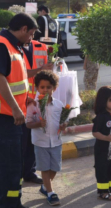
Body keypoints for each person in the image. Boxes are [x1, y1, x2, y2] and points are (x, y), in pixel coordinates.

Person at [0, 13, 38, 208]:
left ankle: (14, 203)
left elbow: (15, 81)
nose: (31, 38)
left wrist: (25, 99)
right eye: (31, 34)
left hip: (10, 115)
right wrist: (15, 108)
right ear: (23, 29)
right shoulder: (2, 45)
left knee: (15, 166)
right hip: (3, 116)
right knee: (8, 167)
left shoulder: (14, 46)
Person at [25, 70, 66, 206]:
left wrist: (64, 125)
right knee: (45, 169)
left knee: (54, 168)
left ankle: (45, 187)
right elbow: (28, 123)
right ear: (37, 88)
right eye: (42, 87)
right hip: (40, 142)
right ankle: (50, 193)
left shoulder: (59, 104)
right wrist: (38, 123)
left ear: (54, 88)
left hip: (56, 141)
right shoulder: (33, 105)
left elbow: (62, 120)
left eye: (49, 87)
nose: (45, 90)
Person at [22, 37, 49, 185]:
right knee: (22, 140)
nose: (31, 36)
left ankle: (29, 172)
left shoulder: (41, 47)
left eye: (33, 32)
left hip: (38, 101)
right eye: (29, 32)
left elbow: (44, 76)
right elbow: (17, 76)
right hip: (21, 102)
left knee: (33, 139)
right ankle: (18, 173)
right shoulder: (12, 48)